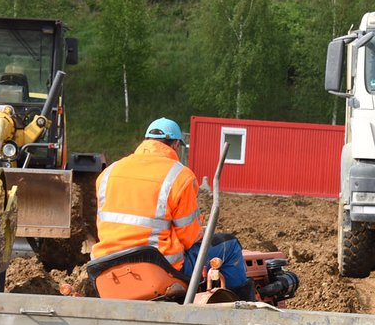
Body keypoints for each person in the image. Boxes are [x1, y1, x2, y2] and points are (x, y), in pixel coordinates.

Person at [90, 117, 255, 300]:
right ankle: (242, 310)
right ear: (176, 144)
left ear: (145, 141)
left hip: (107, 267)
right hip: (158, 268)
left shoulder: (109, 173)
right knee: (229, 246)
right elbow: (188, 238)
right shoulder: (179, 176)